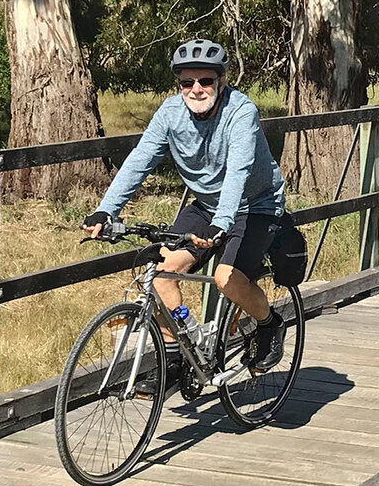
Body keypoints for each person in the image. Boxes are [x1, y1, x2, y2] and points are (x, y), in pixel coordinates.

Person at [83, 39, 289, 371]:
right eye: (187, 82)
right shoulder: (170, 113)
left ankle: (269, 324)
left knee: (227, 279)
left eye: (205, 80)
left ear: (221, 80)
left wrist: (221, 224)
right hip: (207, 204)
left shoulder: (240, 111)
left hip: (255, 205)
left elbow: (238, 170)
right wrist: (108, 209)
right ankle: (176, 354)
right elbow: (140, 160)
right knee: (161, 275)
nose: (196, 89)